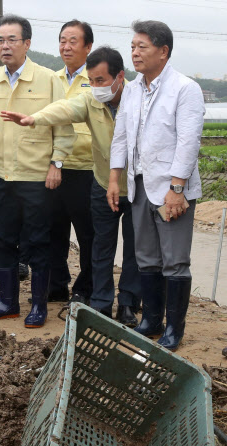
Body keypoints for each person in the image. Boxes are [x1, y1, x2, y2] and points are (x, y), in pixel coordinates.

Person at [1, 46, 141, 327]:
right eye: (92, 81)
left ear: (120, 76)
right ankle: (101, 304)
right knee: (101, 246)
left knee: (135, 249)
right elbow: (64, 108)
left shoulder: (139, 97)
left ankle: (127, 303)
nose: (96, 87)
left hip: (138, 185)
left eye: (102, 80)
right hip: (104, 182)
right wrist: (34, 118)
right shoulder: (90, 99)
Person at [0, 15, 75, 327]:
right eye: (1, 40)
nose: (5, 46)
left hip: (35, 177)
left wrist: (56, 163)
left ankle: (39, 306)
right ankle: (7, 302)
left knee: (37, 242)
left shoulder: (47, 80)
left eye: (12, 40)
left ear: (27, 44)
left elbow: (64, 126)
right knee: (2, 240)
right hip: (0, 176)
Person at [108, 21, 204, 351]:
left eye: (142, 46)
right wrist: (113, 179)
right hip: (139, 186)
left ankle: (174, 329)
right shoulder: (133, 89)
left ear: (163, 51)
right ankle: (151, 320)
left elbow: (188, 142)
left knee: (175, 261)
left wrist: (177, 188)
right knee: (146, 257)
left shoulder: (184, 89)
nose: (134, 52)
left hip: (170, 191)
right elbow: (121, 136)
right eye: (132, 46)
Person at [47, 20, 95, 306]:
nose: (66, 46)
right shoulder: (51, 79)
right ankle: (56, 284)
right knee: (53, 229)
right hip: (54, 166)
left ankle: (85, 287)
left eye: (73, 41)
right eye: (62, 40)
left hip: (88, 168)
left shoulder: (100, 78)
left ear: (88, 46)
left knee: (88, 233)